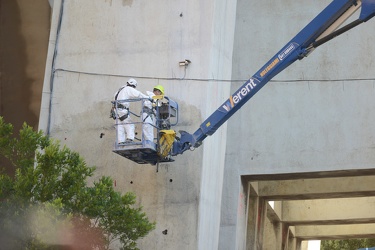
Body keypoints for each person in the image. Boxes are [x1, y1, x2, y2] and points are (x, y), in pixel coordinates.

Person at [114, 78, 150, 144]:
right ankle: (130, 139)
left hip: (116, 111)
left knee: (120, 126)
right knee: (130, 125)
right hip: (122, 110)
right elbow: (138, 94)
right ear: (133, 85)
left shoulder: (119, 90)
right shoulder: (128, 89)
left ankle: (120, 141)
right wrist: (148, 98)